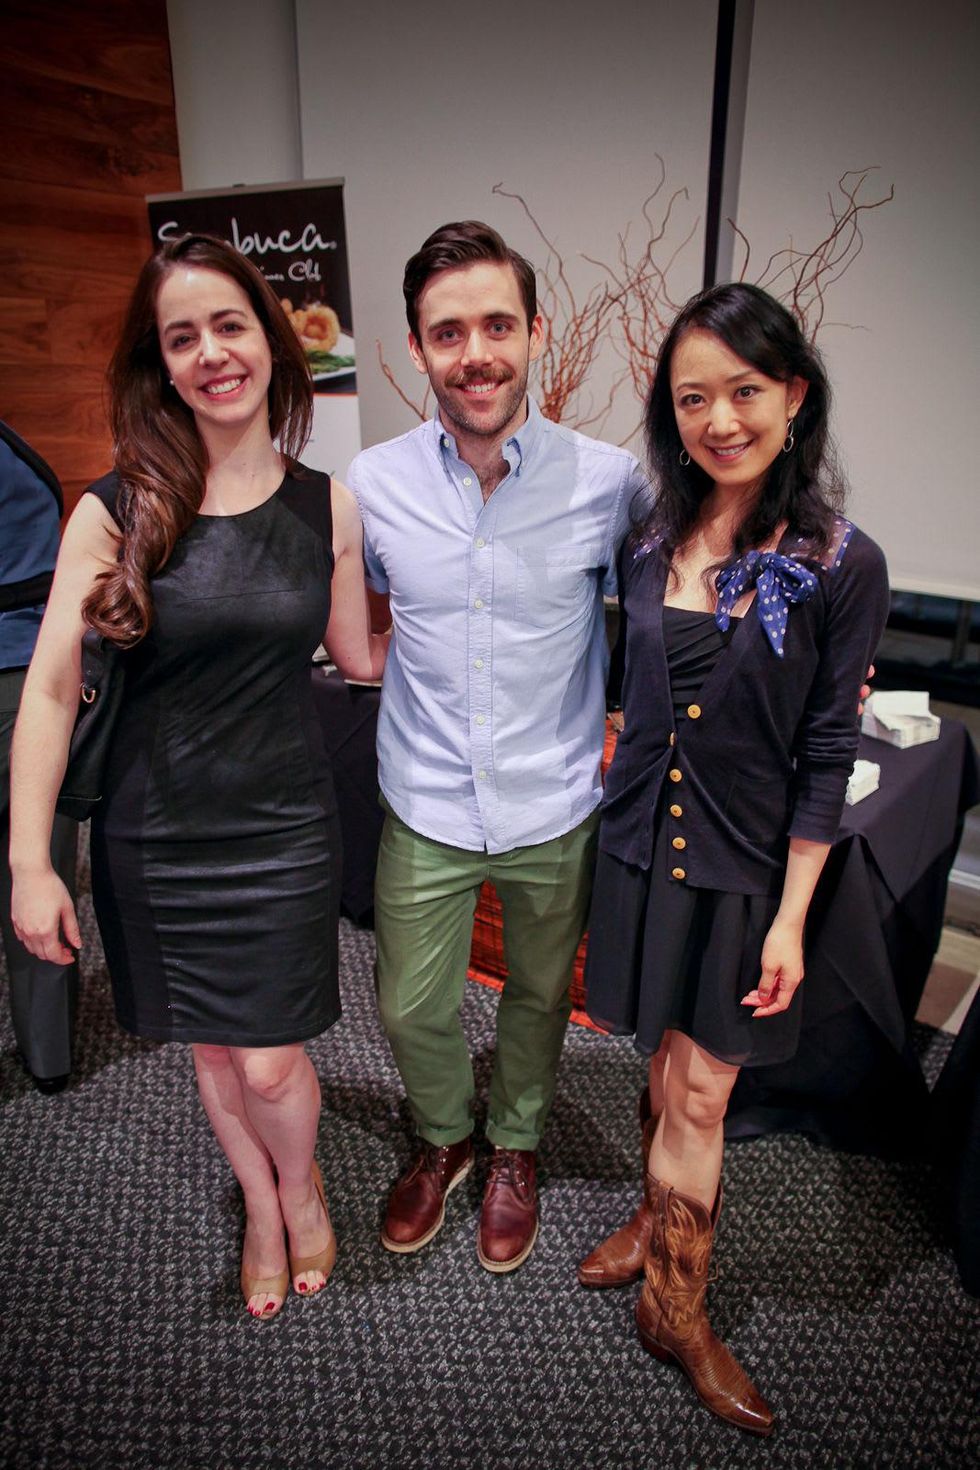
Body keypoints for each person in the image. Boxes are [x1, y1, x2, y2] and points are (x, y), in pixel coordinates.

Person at [9, 233, 388, 1320]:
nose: (212, 353)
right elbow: (50, 692)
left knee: (268, 1062)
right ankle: (262, 1207)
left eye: (230, 325)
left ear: (271, 341)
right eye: (183, 338)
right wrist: (31, 863)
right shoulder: (115, 511)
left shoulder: (327, 507)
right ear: (162, 366)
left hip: (281, 830)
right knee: (213, 1053)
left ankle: (300, 1183)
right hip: (154, 834)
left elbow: (359, 656)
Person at [577, 282, 890, 1434]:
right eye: (690, 398)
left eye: (743, 391)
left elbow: (826, 748)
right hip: (637, 847)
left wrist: (790, 916)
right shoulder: (648, 538)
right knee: (663, 1058)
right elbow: (635, 700)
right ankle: (653, 1216)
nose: (718, 420)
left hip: (745, 867)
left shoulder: (839, 561)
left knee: (704, 1088)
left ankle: (675, 1305)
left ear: (793, 395)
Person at [346, 221, 647, 1272]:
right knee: (405, 1004)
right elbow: (353, 616)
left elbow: (684, 602)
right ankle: (445, 1135)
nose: (474, 353)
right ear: (417, 347)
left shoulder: (609, 482)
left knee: (537, 995)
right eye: (447, 332)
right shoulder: (371, 484)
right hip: (425, 796)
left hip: (552, 799)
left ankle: (515, 1141)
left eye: (496, 325)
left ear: (534, 331)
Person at [1, 421, 79, 1094]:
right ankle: (49, 1054)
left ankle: (51, 1056)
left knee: (42, 873)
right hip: (35, 670)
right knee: (41, 864)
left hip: (34, 674)